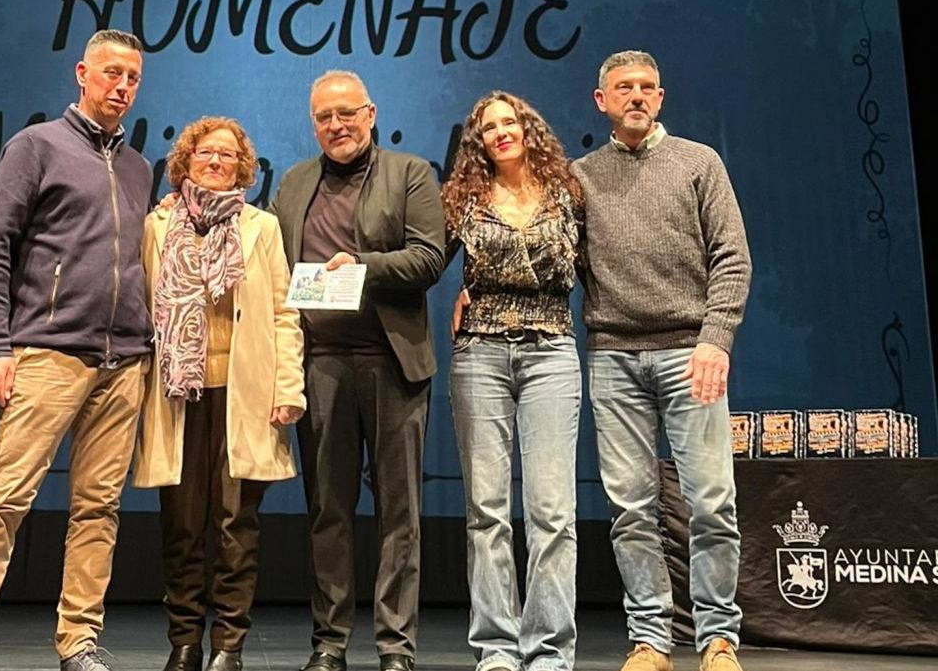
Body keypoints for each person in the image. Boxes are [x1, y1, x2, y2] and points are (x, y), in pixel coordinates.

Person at [0, 29, 153, 671]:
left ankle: (79, 642)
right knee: (3, 499)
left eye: (132, 77)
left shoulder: (140, 168)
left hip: (124, 363)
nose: (122, 86)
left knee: (99, 510)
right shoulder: (37, 146)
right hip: (48, 353)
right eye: (111, 73)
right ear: (82, 74)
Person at [573, 50, 752, 671]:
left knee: (711, 502)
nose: (637, 96)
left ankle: (718, 638)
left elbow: (732, 258)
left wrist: (715, 338)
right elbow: (555, 259)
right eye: (624, 87)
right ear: (602, 101)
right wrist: (478, 289)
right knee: (630, 508)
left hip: (689, 352)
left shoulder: (699, 162)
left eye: (647, 87)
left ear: (661, 97)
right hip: (613, 357)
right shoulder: (580, 177)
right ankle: (651, 640)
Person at [266, 70, 445, 671]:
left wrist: (362, 266)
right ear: (313, 123)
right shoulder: (294, 183)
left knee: (399, 512)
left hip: (392, 363)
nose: (336, 125)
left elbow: (429, 257)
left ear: (370, 114)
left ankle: (396, 646)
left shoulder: (410, 173)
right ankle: (329, 642)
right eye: (324, 117)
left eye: (346, 113)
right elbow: (265, 254)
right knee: (329, 510)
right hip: (320, 364)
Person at [134, 116, 305, 671]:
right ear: (186, 161)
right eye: (205, 152)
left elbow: (284, 313)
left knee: (235, 526)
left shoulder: (262, 227)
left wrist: (289, 387)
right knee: (182, 526)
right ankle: (184, 641)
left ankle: (228, 644)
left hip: (243, 394)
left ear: (243, 169)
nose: (215, 161)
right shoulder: (158, 225)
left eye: (227, 155)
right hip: (177, 395)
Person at [443, 91, 585, 671]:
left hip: (550, 351)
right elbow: (422, 260)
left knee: (552, 511)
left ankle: (548, 649)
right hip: (480, 352)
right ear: (478, 141)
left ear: (528, 130)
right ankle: (498, 649)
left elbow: (598, 265)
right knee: (487, 511)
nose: (501, 132)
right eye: (489, 127)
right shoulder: (463, 199)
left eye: (509, 123)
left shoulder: (569, 192)